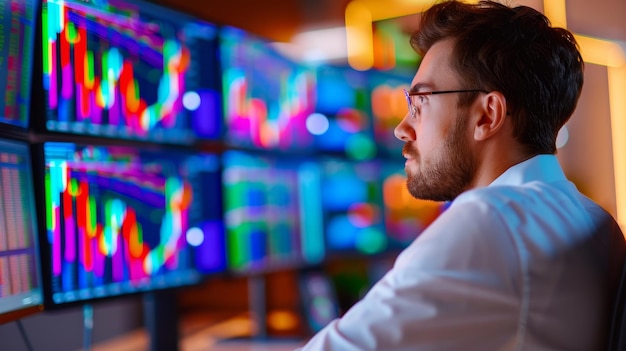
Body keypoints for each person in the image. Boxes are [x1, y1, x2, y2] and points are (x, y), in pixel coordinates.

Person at [296, 1, 626, 350]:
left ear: (487, 115)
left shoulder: (491, 220)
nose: (402, 129)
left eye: (420, 103)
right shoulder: (598, 222)